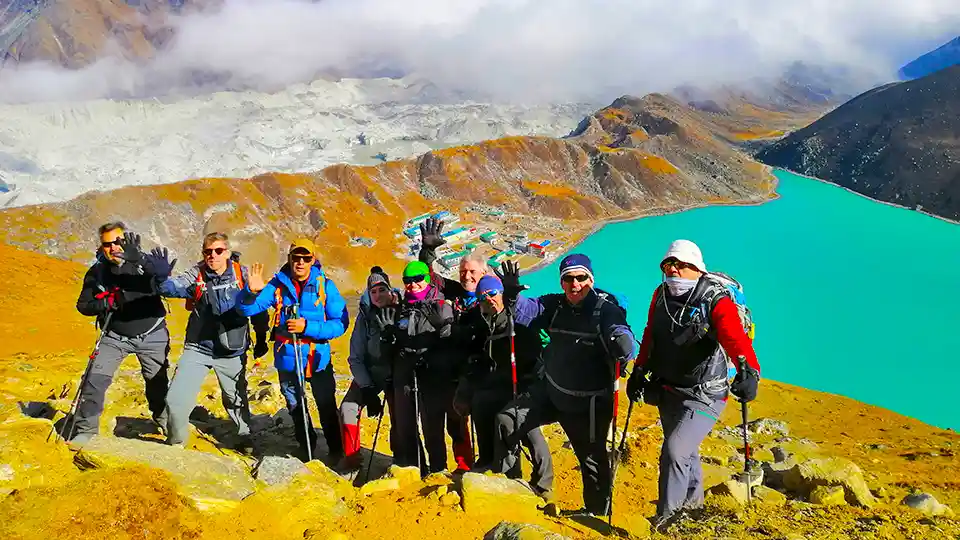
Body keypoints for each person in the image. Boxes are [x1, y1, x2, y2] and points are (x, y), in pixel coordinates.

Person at [625, 239, 760, 531]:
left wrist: (750, 372)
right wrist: (639, 371)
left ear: (697, 269)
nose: (674, 270)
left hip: (705, 393)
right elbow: (651, 333)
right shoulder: (660, 295)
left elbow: (734, 337)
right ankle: (693, 508)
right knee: (687, 451)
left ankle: (667, 521)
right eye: (668, 264)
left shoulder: (716, 300)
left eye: (681, 265)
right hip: (668, 389)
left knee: (675, 451)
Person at [493, 254, 637, 518]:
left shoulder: (605, 310)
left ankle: (596, 516)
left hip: (588, 405)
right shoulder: (554, 305)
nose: (575, 284)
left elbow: (621, 333)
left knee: (592, 461)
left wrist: (622, 343)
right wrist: (511, 296)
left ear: (591, 280)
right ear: (562, 282)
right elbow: (526, 311)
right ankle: (509, 485)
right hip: (550, 392)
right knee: (507, 420)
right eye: (568, 279)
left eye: (581, 278)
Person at [235, 238, 349, 463]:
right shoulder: (277, 285)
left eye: (306, 258)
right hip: (287, 358)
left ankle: (336, 450)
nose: (300, 262)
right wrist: (249, 291)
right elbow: (246, 309)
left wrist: (308, 327)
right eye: (296, 257)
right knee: (296, 406)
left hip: (318, 358)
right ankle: (306, 449)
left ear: (313, 260)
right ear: (289, 258)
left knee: (326, 405)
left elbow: (340, 323)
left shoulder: (325, 285)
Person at [158, 232, 271, 451]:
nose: (213, 256)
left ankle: (245, 435)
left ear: (227, 253)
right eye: (208, 252)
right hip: (198, 347)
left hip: (232, 350)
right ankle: (176, 444)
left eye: (218, 251)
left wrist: (260, 339)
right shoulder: (196, 274)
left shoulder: (242, 274)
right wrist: (161, 278)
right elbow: (172, 288)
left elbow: (258, 310)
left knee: (235, 398)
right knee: (176, 400)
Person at [72, 222, 175, 445]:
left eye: (117, 242)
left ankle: (164, 420)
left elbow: (158, 283)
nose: (113, 248)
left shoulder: (141, 262)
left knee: (157, 383)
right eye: (107, 244)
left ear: (126, 240)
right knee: (93, 381)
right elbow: (83, 305)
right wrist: (107, 303)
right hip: (114, 336)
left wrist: (144, 264)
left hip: (151, 334)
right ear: (101, 247)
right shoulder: (97, 273)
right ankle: (85, 431)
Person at [458, 271, 553, 497]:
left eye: (492, 293)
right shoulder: (482, 323)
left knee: (521, 423)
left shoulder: (514, 319)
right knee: (481, 402)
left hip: (528, 382)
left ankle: (543, 482)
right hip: (501, 381)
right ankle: (490, 461)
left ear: (501, 293)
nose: (488, 299)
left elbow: (530, 348)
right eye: (482, 296)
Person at [417, 217, 486, 470]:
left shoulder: (489, 300)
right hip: (441, 373)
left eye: (472, 273)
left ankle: (464, 469)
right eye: (463, 272)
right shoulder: (453, 291)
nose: (467, 277)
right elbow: (428, 277)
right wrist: (427, 252)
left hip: (468, 376)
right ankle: (437, 470)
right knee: (435, 426)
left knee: (459, 427)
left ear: (484, 274)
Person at [383, 260, 459, 474]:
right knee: (405, 425)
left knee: (432, 426)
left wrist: (441, 331)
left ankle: (438, 469)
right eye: (408, 280)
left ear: (427, 279)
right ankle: (415, 467)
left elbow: (451, 340)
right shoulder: (400, 307)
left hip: (431, 375)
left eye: (418, 279)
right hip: (404, 373)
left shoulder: (441, 305)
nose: (413, 284)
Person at [338, 266, 402, 471]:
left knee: (400, 416)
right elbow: (355, 357)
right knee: (348, 408)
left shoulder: (404, 310)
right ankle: (352, 460)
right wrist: (366, 388)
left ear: (390, 290)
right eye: (373, 291)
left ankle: (402, 460)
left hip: (398, 376)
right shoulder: (365, 318)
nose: (377, 295)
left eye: (381, 289)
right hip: (371, 374)